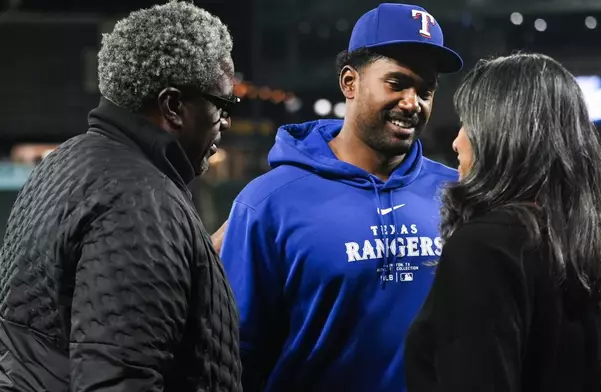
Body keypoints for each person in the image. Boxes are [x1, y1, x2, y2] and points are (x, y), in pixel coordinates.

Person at [219, 3, 463, 391]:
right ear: (349, 82)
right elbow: (234, 351)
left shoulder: (460, 193)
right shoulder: (268, 203)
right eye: (397, 83)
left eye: (425, 90)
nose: (411, 102)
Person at [0, 1, 242, 391]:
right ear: (174, 106)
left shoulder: (65, 163)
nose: (226, 121)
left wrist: (194, 260)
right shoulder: (143, 206)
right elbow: (118, 379)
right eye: (222, 104)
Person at [404, 53, 601, 392]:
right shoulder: (580, 244)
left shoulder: (483, 246)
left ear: (501, 134)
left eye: (470, 122)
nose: (457, 141)